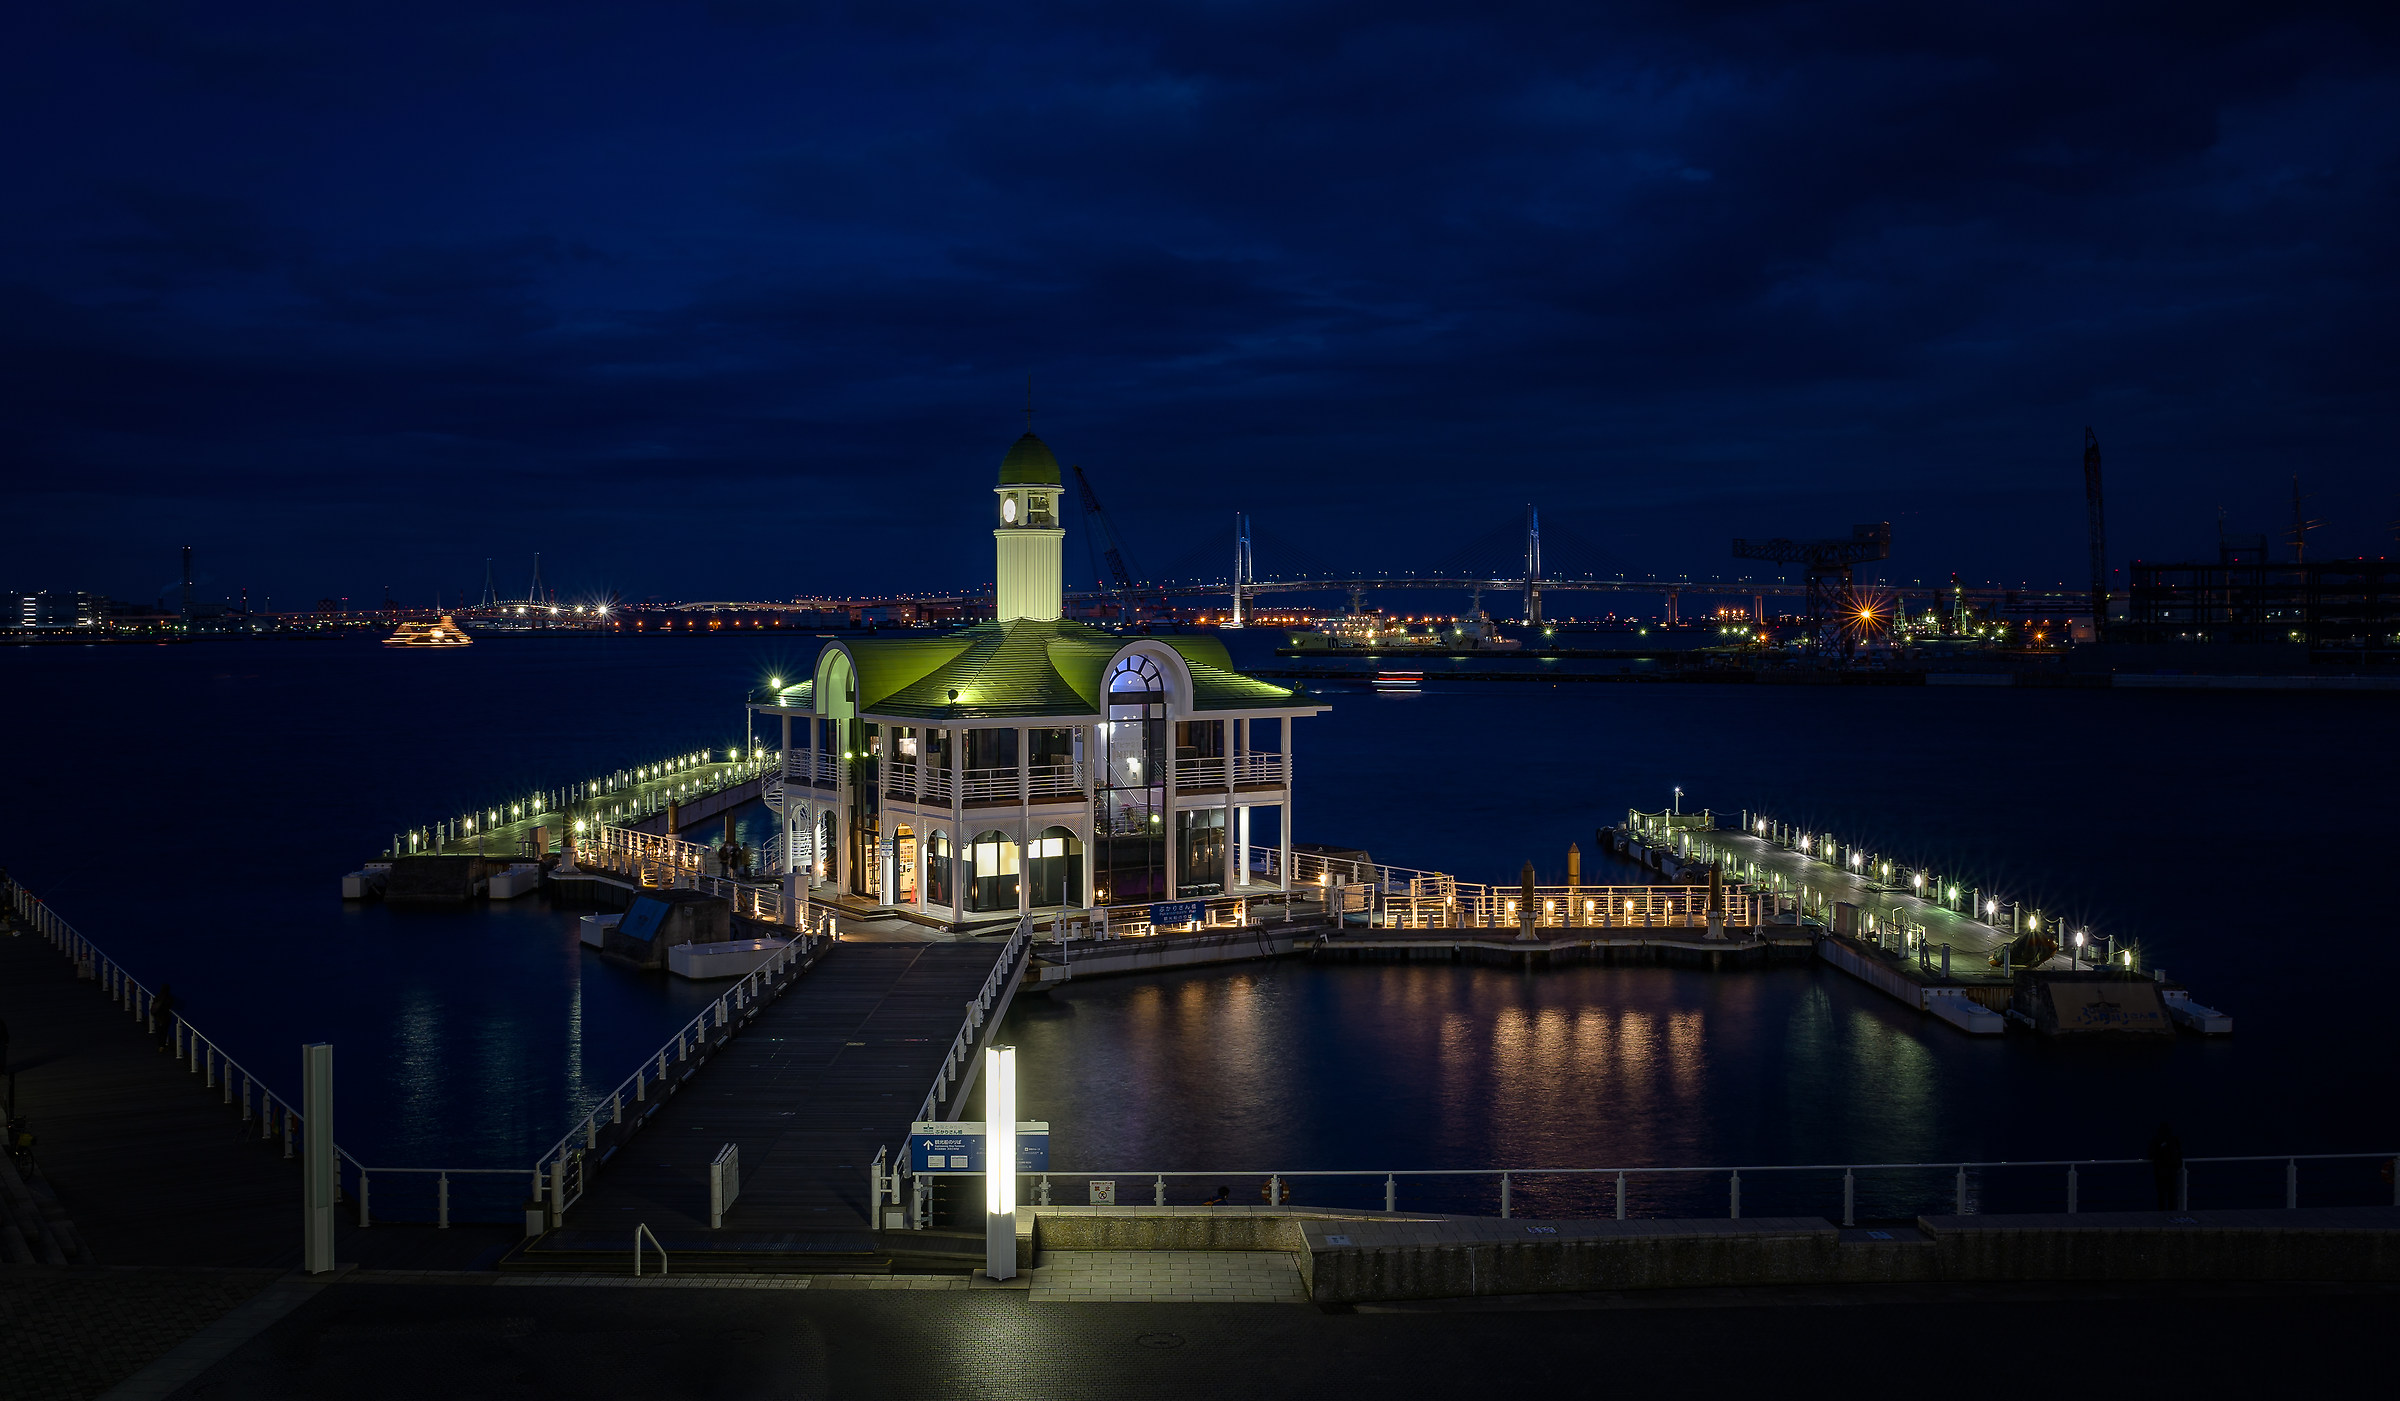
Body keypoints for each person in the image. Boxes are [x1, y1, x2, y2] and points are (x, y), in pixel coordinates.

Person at [2148, 1121, 2184, 1210]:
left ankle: (2162, 1213)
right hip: (2172, 1170)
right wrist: (2178, 1165)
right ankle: (2172, 1212)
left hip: (2160, 1171)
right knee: (2172, 1193)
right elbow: (2180, 1153)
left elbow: (2151, 1154)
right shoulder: (2174, 1139)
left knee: (2162, 1194)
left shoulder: (2156, 1140)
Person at [151, 984, 177, 1050]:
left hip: (158, 1017)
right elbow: (170, 1005)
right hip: (166, 1017)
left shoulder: (158, 996)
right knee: (164, 1031)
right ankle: (163, 1045)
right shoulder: (169, 998)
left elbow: (154, 1006)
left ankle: (160, 1045)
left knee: (159, 1031)